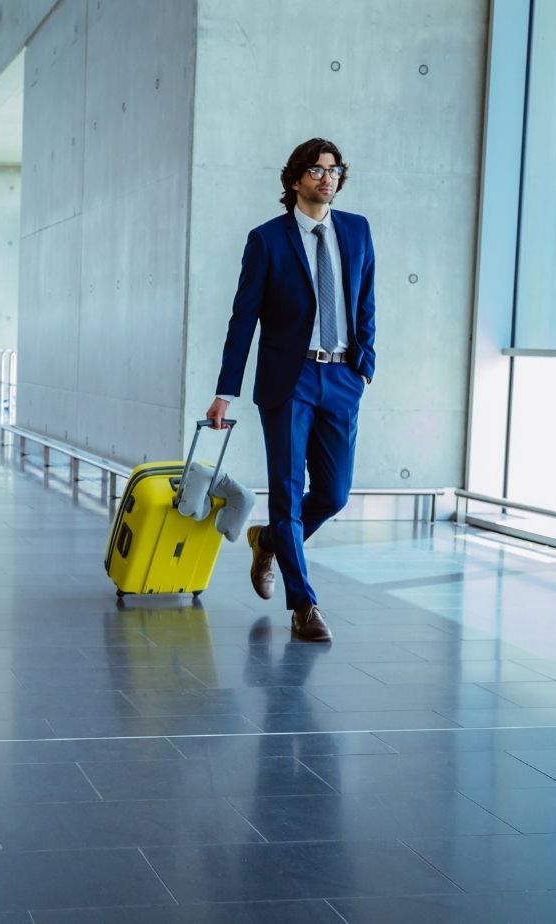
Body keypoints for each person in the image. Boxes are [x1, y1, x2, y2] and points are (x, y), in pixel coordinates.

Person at [205, 138, 377, 643]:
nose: (328, 178)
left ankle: (270, 541)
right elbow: (244, 320)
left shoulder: (357, 230)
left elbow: (365, 300)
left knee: (334, 493)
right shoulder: (267, 240)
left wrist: (364, 366)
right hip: (290, 379)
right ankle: (304, 605)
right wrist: (225, 391)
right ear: (296, 179)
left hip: (343, 376)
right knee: (285, 488)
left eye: (334, 169)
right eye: (317, 170)